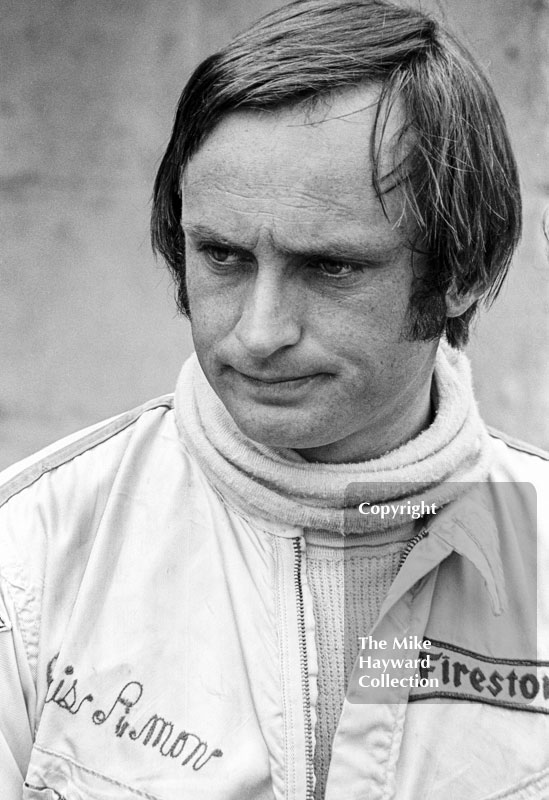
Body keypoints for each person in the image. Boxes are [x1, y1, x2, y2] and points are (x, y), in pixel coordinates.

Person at [1, 0, 548, 798]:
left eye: (329, 267)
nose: (259, 333)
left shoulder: (533, 544)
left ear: (458, 272)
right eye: (221, 256)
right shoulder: (34, 554)